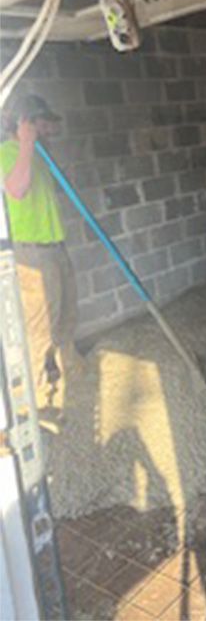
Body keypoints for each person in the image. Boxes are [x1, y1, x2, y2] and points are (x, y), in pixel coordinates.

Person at [0, 94, 82, 423]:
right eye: (41, 122)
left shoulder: (39, 156)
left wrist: (36, 146)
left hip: (55, 247)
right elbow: (16, 190)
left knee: (66, 314)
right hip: (31, 253)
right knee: (39, 329)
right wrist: (25, 144)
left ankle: (69, 373)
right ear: (24, 124)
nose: (48, 127)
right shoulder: (8, 153)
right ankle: (35, 403)